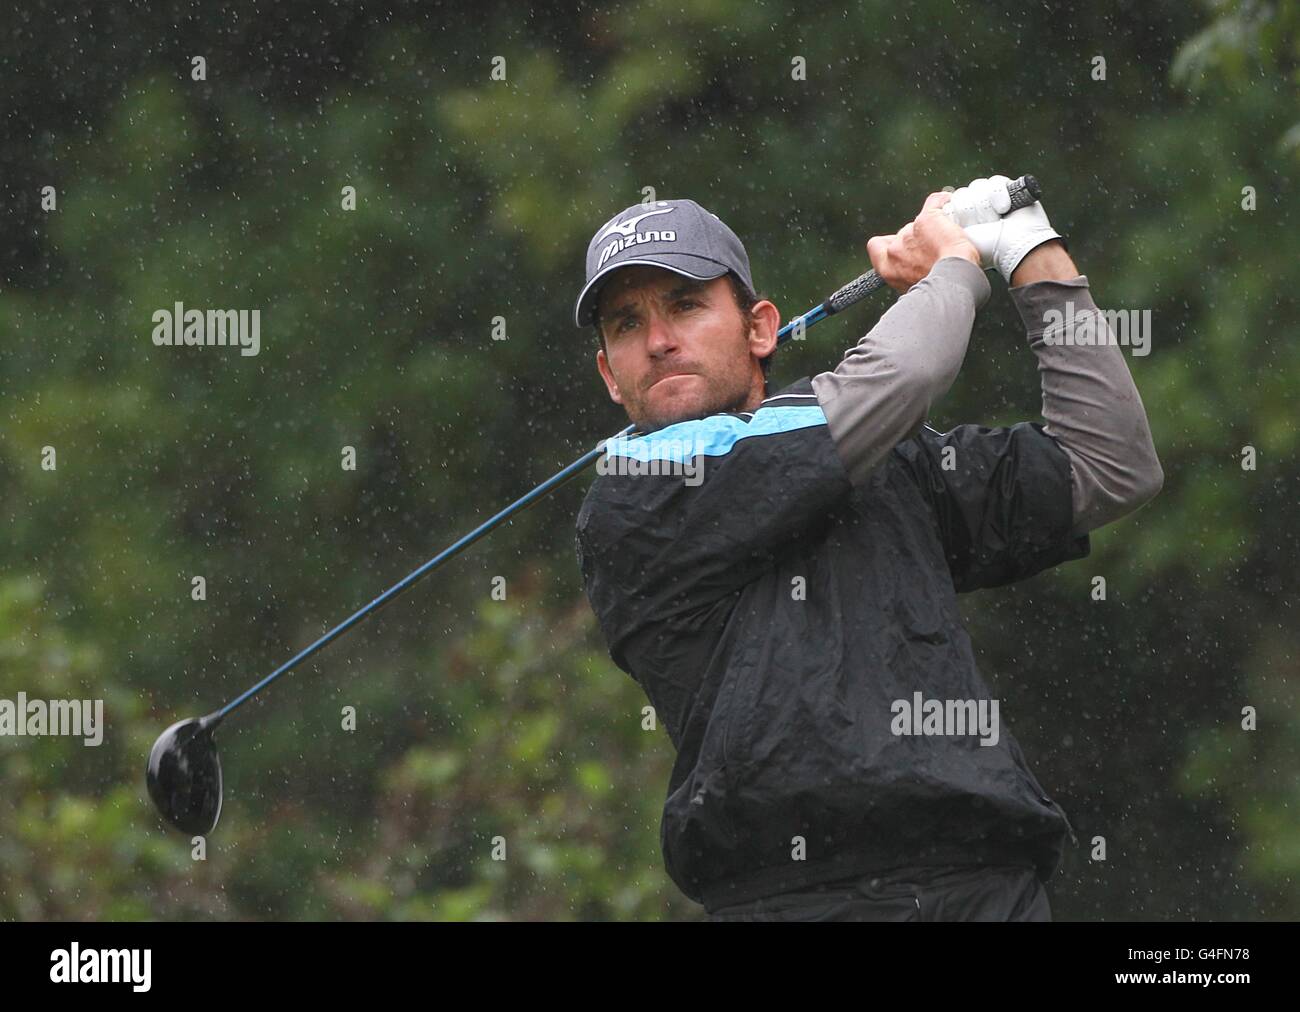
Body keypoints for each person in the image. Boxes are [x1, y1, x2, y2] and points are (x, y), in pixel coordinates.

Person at [571, 179, 1163, 921]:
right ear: (608, 373)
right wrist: (951, 263)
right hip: (792, 900)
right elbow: (900, 377)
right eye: (627, 324)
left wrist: (1028, 249)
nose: (658, 340)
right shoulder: (632, 496)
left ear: (760, 329)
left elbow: (1109, 466)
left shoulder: (878, 456)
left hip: (987, 885)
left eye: (685, 305)